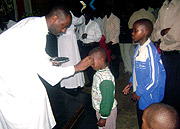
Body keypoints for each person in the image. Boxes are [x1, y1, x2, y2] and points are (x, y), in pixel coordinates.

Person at [0, 6, 93, 129]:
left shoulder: (33, 22)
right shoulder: (35, 32)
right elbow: (50, 74)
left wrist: (48, 60)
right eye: (63, 26)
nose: (64, 30)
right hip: (14, 80)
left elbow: (30, 52)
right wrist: (76, 67)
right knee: (35, 107)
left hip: (12, 73)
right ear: (55, 18)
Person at [122, 19, 166, 129]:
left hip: (149, 96)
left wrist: (139, 92)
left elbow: (154, 79)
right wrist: (131, 83)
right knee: (141, 118)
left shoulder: (150, 51)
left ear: (145, 32)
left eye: (135, 31)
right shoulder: (139, 48)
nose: (132, 33)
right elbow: (137, 71)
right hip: (142, 94)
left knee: (148, 121)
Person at [151, 0, 180, 116]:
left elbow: (175, 36)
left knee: (175, 92)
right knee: (165, 88)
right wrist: (163, 32)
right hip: (164, 55)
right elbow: (153, 34)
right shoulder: (163, 7)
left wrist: (161, 36)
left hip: (176, 55)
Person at [89, 47, 118, 129]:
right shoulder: (100, 72)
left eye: (92, 62)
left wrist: (103, 117)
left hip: (107, 112)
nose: (91, 65)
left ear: (101, 59)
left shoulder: (105, 80)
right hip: (101, 109)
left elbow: (108, 99)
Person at [57, 11, 85, 91]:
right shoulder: (68, 14)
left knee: (65, 61)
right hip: (69, 40)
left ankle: (66, 83)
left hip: (61, 39)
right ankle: (73, 83)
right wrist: (83, 15)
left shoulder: (58, 13)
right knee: (72, 59)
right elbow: (79, 21)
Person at [77, 7, 102, 87]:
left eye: (86, 14)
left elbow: (99, 36)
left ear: (90, 15)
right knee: (86, 65)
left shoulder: (94, 24)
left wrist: (89, 36)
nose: (85, 16)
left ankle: (95, 81)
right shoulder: (82, 25)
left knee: (93, 64)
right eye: (83, 14)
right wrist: (82, 36)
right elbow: (79, 36)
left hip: (92, 46)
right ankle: (90, 80)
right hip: (84, 46)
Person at [102, 5, 120, 79]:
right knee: (108, 60)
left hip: (114, 43)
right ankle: (110, 74)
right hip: (107, 43)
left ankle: (115, 75)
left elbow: (117, 32)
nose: (106, 10)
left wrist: (111, 42)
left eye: (107, 8)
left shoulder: (115, 19)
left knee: (114, 60)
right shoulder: (104, 19)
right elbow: (103, 30)